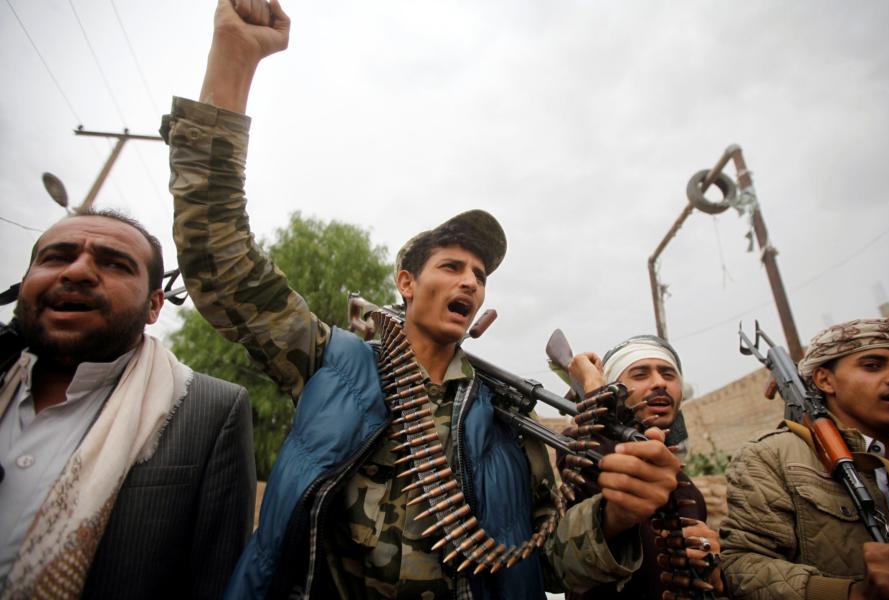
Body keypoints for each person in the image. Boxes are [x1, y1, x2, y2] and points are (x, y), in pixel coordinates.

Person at [163, 1, 682, 597]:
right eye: (451, 266)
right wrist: (234, 61)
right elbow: (220, 264)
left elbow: (540, 562)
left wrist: (616, 517)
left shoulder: (506, 423)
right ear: (406, 283)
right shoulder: (333, 364)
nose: (469, 281)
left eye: (480, 275)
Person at [0, 209, 256, 598]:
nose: (78, 271)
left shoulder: (211, 410)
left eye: (114, 264)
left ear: (155, 306)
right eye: (57, 257)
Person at [720, 318, 889, 600]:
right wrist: (851, 593)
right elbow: (742, 567)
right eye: (873, 365)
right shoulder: (774, 455)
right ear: (824, 380)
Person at [559, 335, 723, 599]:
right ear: (614, 390)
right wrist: (592, 387)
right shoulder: (581, 448)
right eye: (640, 373)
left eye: (668, 374)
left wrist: (710, 561)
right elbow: (592, 452)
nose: (659, 382)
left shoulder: (687, 487)